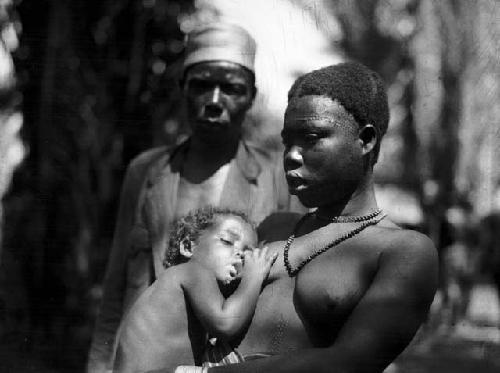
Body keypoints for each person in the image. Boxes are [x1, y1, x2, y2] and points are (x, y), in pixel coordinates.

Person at [175, 62, 438, 373]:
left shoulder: (403, 252)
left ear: (365, 140)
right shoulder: (276, 228)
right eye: (288, 141)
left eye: (312, 137)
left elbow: (350, 363)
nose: (291, 155)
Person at [87, 22, 302, 373]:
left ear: (251, 96)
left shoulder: (279, 175)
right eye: (202, 85)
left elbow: (290, 294)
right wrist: (98, 367)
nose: (215, 101)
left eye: (231, 88)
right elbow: (115, 287)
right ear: (182, 88)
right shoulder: (146, 172)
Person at [113, 207, 277, 373]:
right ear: (188, 247)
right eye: (227, 241)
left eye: (247, 253)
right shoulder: (194, 271)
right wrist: (253, 277)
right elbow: (225, 324)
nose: (239, 255)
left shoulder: (177, 286)